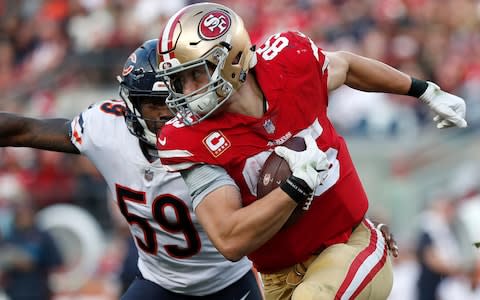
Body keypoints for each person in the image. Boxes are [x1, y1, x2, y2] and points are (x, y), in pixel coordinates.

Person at [155, 2, 467, 300]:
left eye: (196, 74)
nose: (187, 91)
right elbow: (230, 239)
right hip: (278, 275)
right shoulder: (191, 137)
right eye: (179, 80)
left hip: (350, 242)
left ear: (231, 59)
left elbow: (346, 65)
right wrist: (294, 188)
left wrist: (422, 89)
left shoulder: (289, 63)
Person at [0, 39, 263, 299]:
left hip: (227, 284)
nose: (163, 114)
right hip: (158, 283)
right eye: (153, 104)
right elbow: (27, 130)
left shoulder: (217, 139)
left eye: (171, 101)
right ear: (133, 104)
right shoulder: (106, 130)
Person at [0, 198, 63, 300]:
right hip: (15, 292)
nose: (24, 217)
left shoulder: (43, 237)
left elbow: (57, 262)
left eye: (27, 212)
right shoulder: (9, 237)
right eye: (21, 213)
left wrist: (34, 262)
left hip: (39, 290)